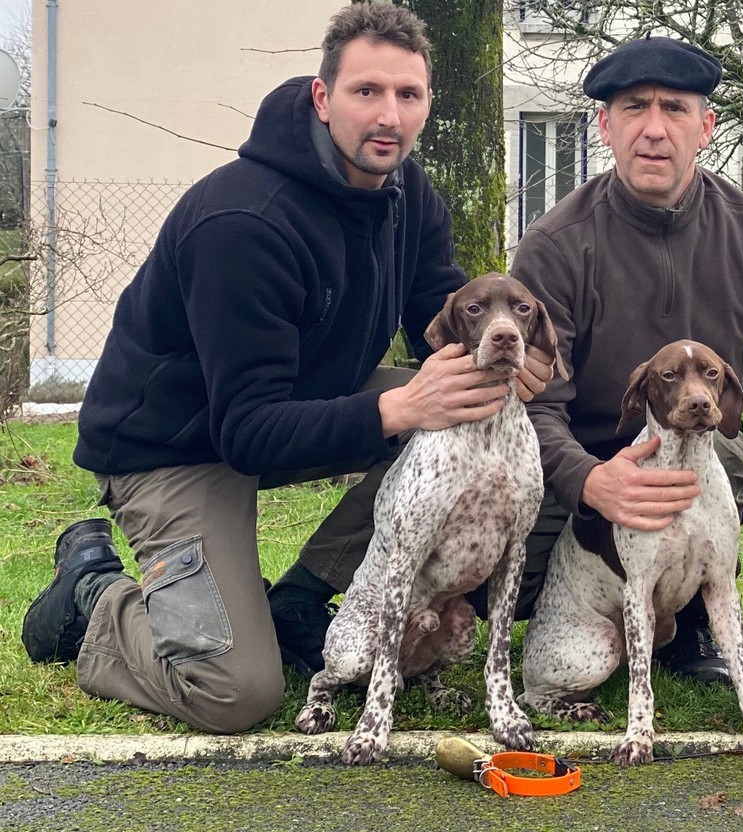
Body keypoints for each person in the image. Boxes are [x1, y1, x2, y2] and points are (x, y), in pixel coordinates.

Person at [21, 4, 548, 733]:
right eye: (366, 92)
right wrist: (398, 409)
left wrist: (504, 365)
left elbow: (439, 313)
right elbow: (245, 431)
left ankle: (301, 600)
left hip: (305, 400)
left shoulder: (408, 192)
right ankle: (91, 596)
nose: (388, 115)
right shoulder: (245, 222)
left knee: (469, 409)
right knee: (234, 691)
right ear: (322, 98)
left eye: (408, 95)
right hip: (177, 446)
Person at [501, 36, 743, 684]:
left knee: (726, 451)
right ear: (604, 126)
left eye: (674, 109)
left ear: (705, 127)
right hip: (577, 483)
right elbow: (533, 405)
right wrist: (592, 481)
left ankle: (690, 623)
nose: (653, 129)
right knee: (502, 564)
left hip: (690, 457)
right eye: (633, 108)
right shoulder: (555, 246)